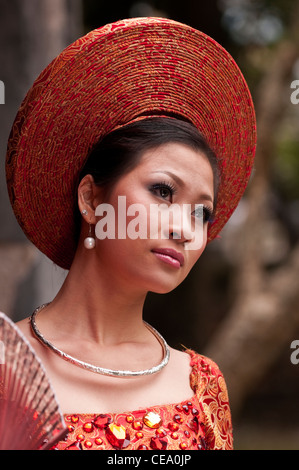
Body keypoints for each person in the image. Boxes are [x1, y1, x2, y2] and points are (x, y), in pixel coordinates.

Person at [5, 17, 256, 450]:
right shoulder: (9, 372)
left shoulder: (202, 386)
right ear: (91, 199)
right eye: (163, 191)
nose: (185, 230)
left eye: (202, 214)